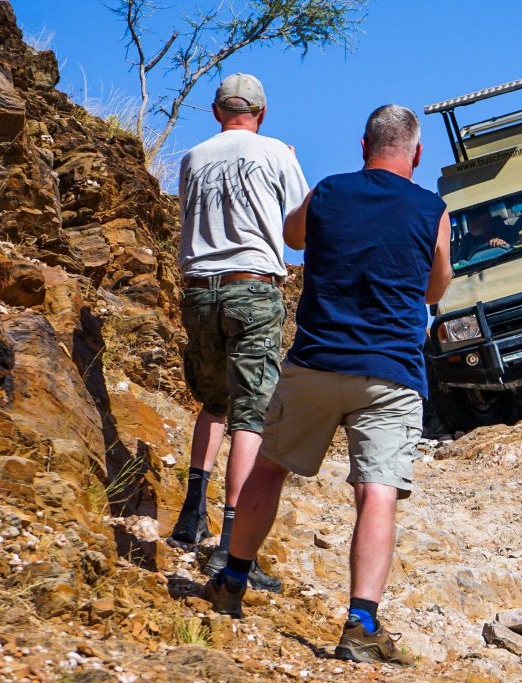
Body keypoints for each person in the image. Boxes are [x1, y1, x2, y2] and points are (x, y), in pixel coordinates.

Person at [202, 104, 453, 666]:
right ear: (416, 153)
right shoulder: (433, 210)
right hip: (390, 373)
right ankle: (361, 625)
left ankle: (232, 579)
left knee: (270, 466)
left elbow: (293, 236)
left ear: (364, 144)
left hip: (316, 361)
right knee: (377, 492)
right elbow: (436, 289)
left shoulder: (330, 191)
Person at [170, 73, 309, 593]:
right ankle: (231, 543)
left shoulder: (193, 158)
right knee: (252, 415)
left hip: (198, 290)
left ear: (216, 112)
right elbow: (302, 228)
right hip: (250, 288)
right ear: (261, 113)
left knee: (213, 402)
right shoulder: (275, 152)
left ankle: (190, 514)